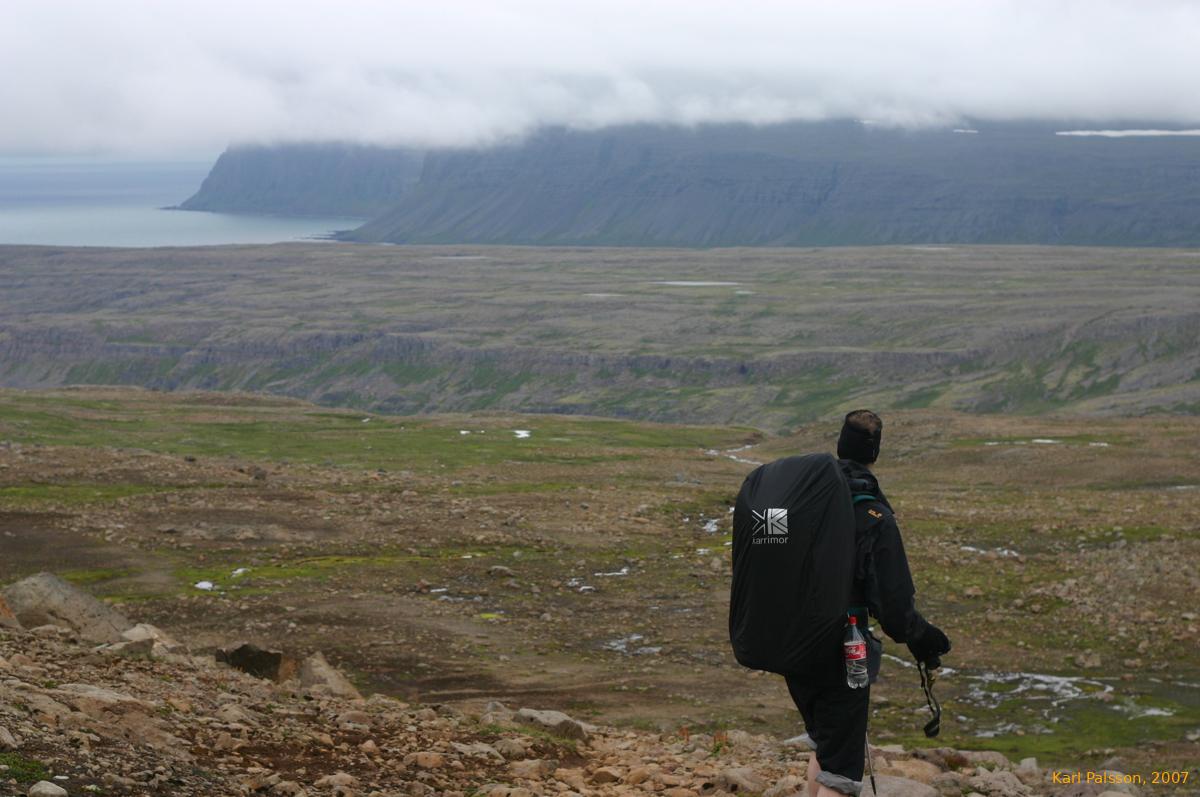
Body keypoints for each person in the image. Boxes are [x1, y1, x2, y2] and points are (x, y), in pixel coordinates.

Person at [786, 409, 951, 797]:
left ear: (840, 445)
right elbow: (895, 609)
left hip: (791, 640)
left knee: (829, 741)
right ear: (874, 453)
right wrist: (925, 639)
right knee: (843, 769)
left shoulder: (804, 500)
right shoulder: (872, 513)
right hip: (843, 648)